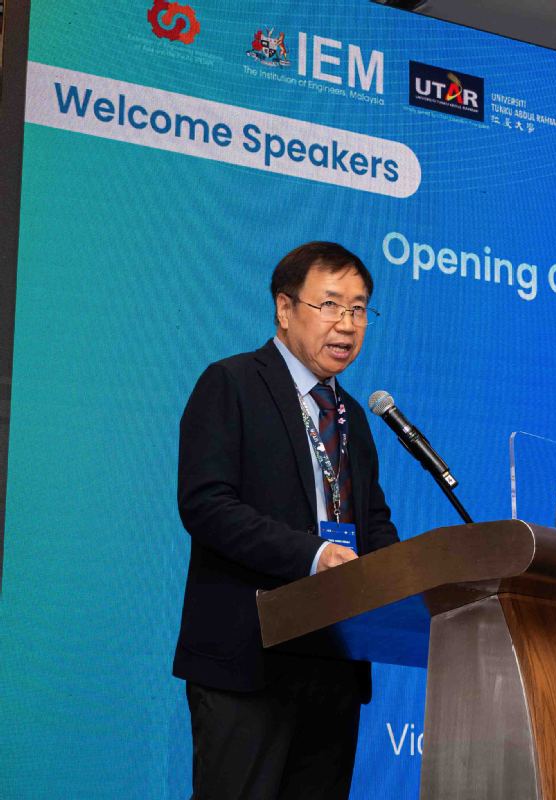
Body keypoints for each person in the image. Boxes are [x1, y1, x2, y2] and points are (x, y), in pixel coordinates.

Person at [173, 241, 400, 799]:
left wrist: (405, 576)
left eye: (359, 309)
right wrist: (314, 555)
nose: (347, 324)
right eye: (331, 305)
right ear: (284, 308)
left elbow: (372, 522)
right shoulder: (232, 384)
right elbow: (207, 505)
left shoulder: (352, 416)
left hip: (334, 663)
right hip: (249, 660)